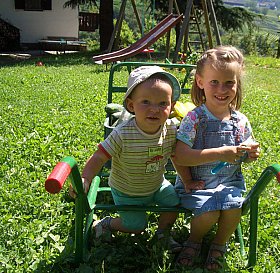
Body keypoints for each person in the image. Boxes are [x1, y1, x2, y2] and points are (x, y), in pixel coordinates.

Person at [70, 66, 192, 252]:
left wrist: (187, 180)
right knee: (136, 226)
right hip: (127, 190)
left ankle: (162, 235)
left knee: (173, 204)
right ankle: (107, 224)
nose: (154, 109)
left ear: (172, 107)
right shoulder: (123, 134)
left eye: (162, 103)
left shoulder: (171, 130)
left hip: (157, 184)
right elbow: (99, 156)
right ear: (131, 105)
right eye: (145, 102)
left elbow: (176, 157)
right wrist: (86, 178)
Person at [172, 46, 261, 270]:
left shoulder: (240, 120)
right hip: (196, 184)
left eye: (229, 83)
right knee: (209, 213)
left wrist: (250, 154)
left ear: (237, 84)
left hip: (229, 183)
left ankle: (219, 244)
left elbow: (244, 153)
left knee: (233, 208)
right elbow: (180, 155)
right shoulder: (194, 118)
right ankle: (194, 240)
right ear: (200, 82)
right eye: (214, 82)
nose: (222, 89)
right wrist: (221, 152)